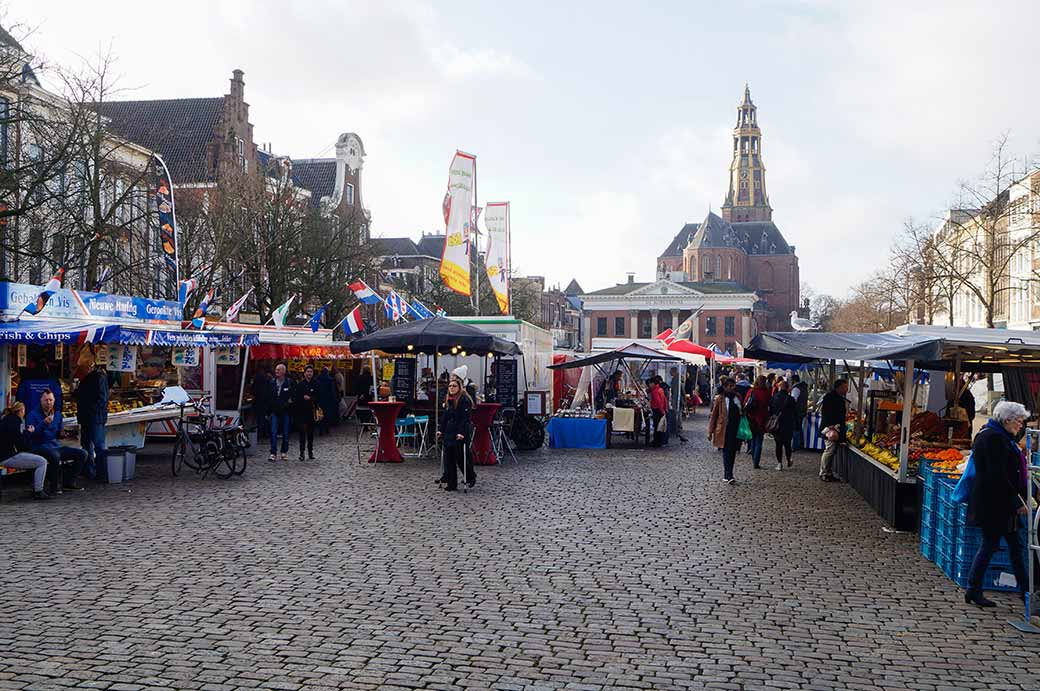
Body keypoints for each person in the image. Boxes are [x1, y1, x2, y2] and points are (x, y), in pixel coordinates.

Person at [963, 401, 1030, 608]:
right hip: (994, 504)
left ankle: (1025, 590)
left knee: (1015, 547)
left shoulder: (997, 436)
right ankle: (974, 589)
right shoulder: (994, 438)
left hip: (998, 503)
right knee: (990, 545)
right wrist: (1016, 500)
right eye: (1019, 421)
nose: (1021, 426)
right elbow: (997, 474)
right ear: (1008, 419)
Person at [27, 390, 87, 493]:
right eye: (46, 400)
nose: (48, 402)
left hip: (55, 446)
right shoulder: (32, 415)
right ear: (41, 400)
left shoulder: (58, 414)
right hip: (39, 446)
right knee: (54, 455)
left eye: (51, 400)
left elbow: (58, 433)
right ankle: (54, 486)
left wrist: (63, 434)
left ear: (54, 401)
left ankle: (69, 482)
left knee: (83, 453)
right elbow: (32, 435)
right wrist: (43, 423)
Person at [0, 402, 51, 500]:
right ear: (21, 411)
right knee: (42, 462)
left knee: (32, 459)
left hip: (4, 454)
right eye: (24, 411)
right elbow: (21, 445)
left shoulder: (5, 419)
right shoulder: (16, 421)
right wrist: (28, 433)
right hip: (7, 456)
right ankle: (38, 491)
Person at [437, 376, 474, 491]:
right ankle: (451, 483)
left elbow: (465, 418)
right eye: (450, 386)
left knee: (460, 457)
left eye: (454, 386)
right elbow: (445, 417)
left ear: (459, 387)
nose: (451, 388)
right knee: (449, 458)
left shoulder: (464, 400)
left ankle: (470, 476)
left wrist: (461, 432)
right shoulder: (449, 399)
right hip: (449, 430)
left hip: (460, 430)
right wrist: (440, 430)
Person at [74, 359, 108, 480]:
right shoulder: (90, 378)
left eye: (81, 369)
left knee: (97, 444)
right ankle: (91, 471)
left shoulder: (98, 378)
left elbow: (102, 399)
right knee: (87, 444)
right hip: (87, 416)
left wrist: (91, 408)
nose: (79, 371)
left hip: (94, 416)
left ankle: (101, 472)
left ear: (88, 368)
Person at [708, 377, 742, 485]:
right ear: (725, 387)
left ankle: (729, 473)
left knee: (733, 451)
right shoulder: (720, 399)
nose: (732, 388)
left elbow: (742, 411)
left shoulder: (737, 397)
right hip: (724, 429)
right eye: (730, 386)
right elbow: (714, 416)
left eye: (733, 386)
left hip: (735, 428)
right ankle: (728, 474)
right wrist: (710, 431)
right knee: (727, 451)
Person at [819, 379, 849, 482]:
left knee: (831, 450)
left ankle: (828, 472)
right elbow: (826, 413)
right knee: (829, 450)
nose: (847, 389)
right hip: (831, 428)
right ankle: (824, 473)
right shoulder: (830, 397)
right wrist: (830, 425)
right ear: (839, 387)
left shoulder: (838, 398)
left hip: (836, 427)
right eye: (845, 387)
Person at [743, 376, 771, 469]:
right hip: (762, 419)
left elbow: (745, 403)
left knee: (753, 439)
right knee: (759, 440)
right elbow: (769, 404)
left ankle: (753, 459)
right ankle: (756, 461)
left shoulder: (752, 391)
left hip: (751, 418)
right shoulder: (766, 392)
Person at [769, 380, 797, 470]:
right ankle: (788, 460)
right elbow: (794, 411)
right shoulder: (791, 399)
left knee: (778, 444)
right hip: (788, 423)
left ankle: (779, 463)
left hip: (777, 424)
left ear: (779, 387)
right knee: (787, 444)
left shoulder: (774, 397)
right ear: (788, 387)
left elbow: (771, 410)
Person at [269, 362, 293, 462]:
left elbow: (293, 395)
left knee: (285, 433)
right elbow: (268, 396)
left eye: (278, 370)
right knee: (273, 432)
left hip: (285, 411)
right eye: (276, 370)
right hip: (274, 411)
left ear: (283, 371)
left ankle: (284, 452)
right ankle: (273, 453)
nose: (276, 371)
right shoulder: (272, 382)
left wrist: (289, 403)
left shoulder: (289, 382)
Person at [293, 365, 319, 460]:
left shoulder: (315, 384)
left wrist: (311, 398)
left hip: (311, 412)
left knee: (311, 433)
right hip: (302, 412)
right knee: (302, 433)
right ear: (304, 373)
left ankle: (310, 451)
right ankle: (302, 452)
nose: (309, 373)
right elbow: (296, 398)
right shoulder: (300, 385)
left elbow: (318, 397)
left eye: (311, 372)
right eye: (307, 372)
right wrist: (302, 398)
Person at [252, 367, 272, 441]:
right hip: (265, 402)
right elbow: (269, 391)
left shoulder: (256, 378)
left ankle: (258, 434)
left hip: (257, 402)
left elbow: (253, 390)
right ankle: (264, 433)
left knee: (258, 418)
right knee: (264, 418)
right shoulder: (267, 379)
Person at [316, 367, 338, 435]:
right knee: (327, 415)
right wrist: (335, 399)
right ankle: (327, 428)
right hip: (328, 400)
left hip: (320, 399)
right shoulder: (330, 379)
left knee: (320, 415)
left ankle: (320, 429)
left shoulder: (317, 379)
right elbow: (332, 391)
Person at [791, 374, 808, 452]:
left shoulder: (796, 389)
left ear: (793, 380)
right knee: (799, 427)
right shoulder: (803, 387)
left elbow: (793, 400)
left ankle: (795, 445)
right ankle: (800, 443)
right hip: (802, 410)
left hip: (797, 410)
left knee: (796, 427)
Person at [649, 377, 668, 447]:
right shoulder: (660, 389)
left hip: (657, 410)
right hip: (661, 410)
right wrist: (665, 409)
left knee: (657, 426)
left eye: (650, 384)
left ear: (653, 383)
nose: (649, 385)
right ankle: (660, 441)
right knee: (660, 426)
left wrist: (662, 411)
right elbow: (664, 400)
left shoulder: (655, 391)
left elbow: (658, 402)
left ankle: (657, 442)